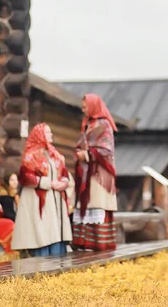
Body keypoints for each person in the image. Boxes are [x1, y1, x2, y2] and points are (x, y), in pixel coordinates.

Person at [11, 123, 75, 257]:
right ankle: (42, 260)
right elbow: (26, 177)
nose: (51, 135)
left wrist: (63, 183)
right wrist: (49, 183)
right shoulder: (31, 155)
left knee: (55, 229)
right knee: (43, 230)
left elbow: (63, 172)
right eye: (47, 132)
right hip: (38, 198)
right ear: (40, 135)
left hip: (55, 198)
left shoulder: (53, 154)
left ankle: (58, 258)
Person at [72, 94, 118, 251]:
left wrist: (87, 154)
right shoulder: (87, 123)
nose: (83, 110)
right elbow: (81, 143)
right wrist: (79, 151)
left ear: (93, 106)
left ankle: (99, 243)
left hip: (99, 173)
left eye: (85, 107)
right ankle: (84, 243)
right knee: (87, 205)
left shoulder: (104, 124)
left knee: (98, 204)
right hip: (86, 172)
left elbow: (107, 149)